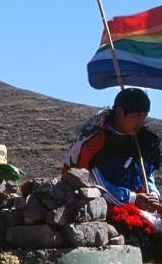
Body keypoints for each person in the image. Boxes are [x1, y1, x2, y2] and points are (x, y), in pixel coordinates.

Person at [64, 87, 162, 234]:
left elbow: (147, 174)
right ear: (120, 112)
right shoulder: (97, 143)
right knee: (137, 231)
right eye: (135, 116)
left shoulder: (144, 140)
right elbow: (97, 185)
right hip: (104, 202)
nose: (140, 122)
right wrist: (134, 199)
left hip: (140, 201)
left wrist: (153, 195)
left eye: (144, 116)